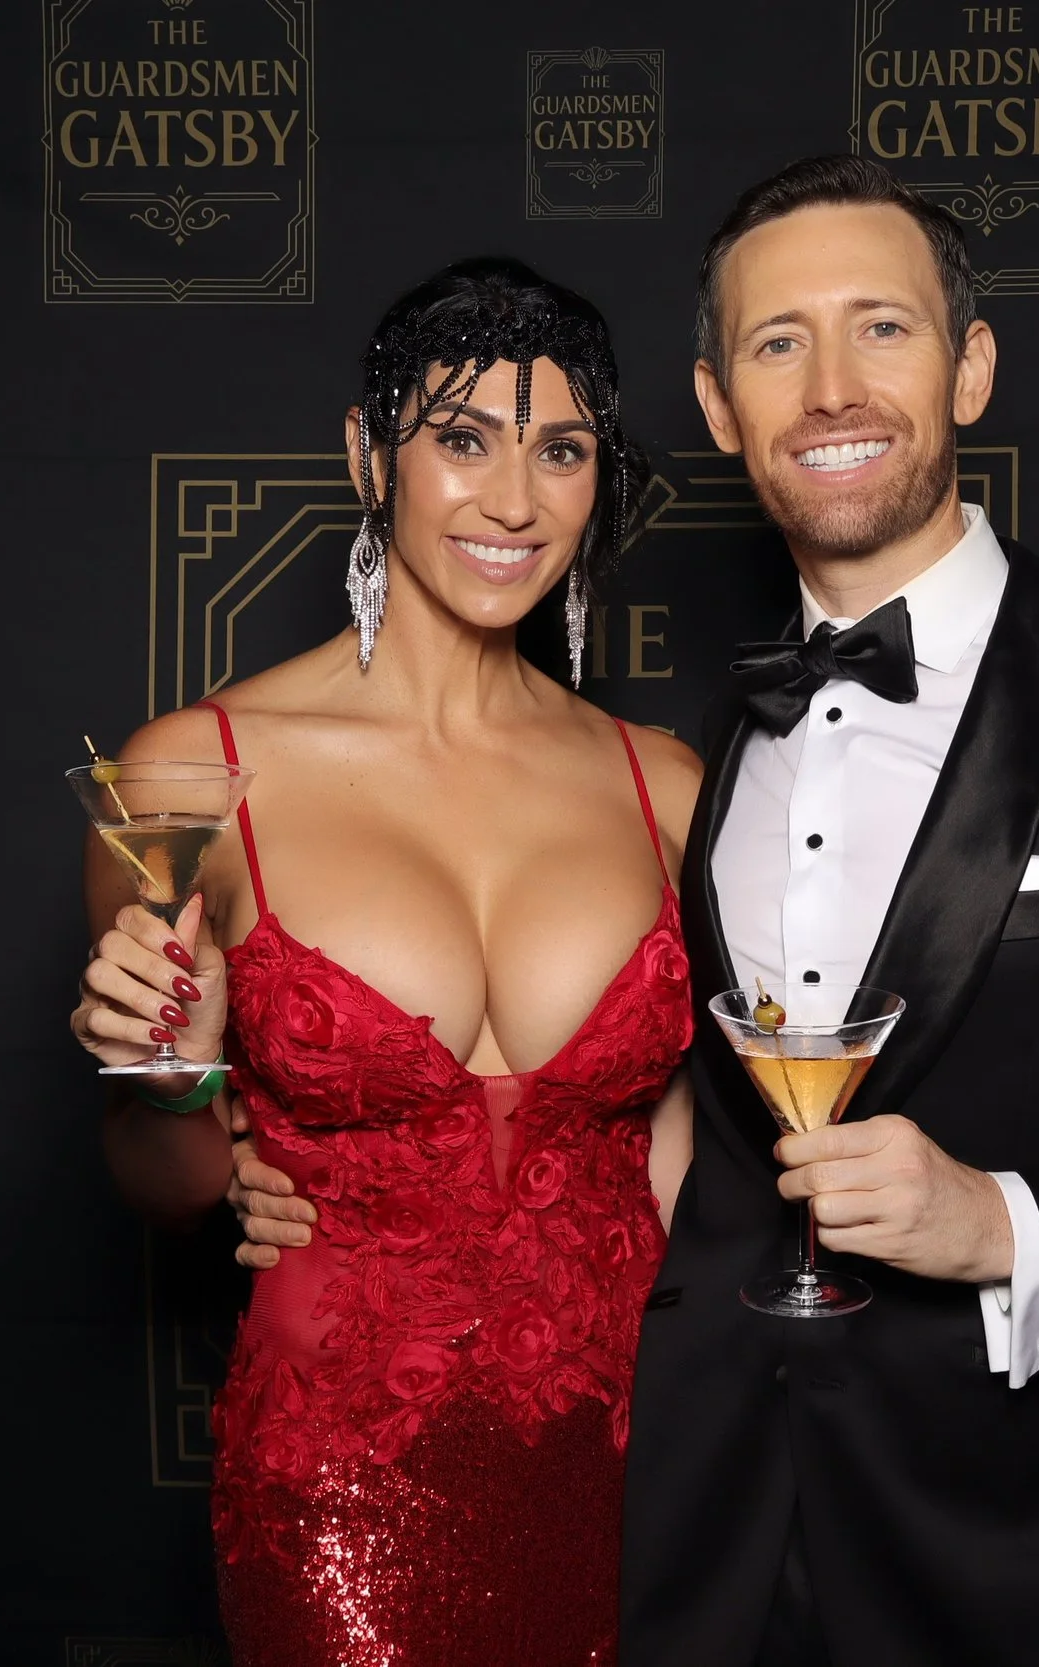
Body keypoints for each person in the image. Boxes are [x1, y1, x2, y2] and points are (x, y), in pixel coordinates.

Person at [236, 157, 1039, 1666]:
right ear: (721, 408)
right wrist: (240, 1142)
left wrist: (1000, 1225)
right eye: (780, 343)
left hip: (1023, 1563)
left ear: (971, 367)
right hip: (692, 1544)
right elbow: (594, 1108)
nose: (833, 388)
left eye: (883, 328)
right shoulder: (693, 759)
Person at [69, 257, 701, 1667]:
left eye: (562, 451)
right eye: (463, 439)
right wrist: (174, 1083)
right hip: (345, 1490)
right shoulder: (184, 777)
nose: (514, 502)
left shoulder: (666, 787)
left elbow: (682, 1158)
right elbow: (166, 1185)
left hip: (646, 1462)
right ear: (369, 455)